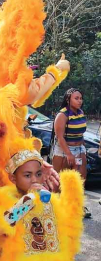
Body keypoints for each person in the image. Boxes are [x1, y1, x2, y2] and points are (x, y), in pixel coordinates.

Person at [0, 148, 84, 261]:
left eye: (38, 174)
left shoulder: (49, 201)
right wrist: (29, 200)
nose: (34, 180)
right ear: (13, 178)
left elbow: (61, 237)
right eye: (27, 175)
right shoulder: (0, 199)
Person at [51, 88, 91, 218]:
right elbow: (60, 137)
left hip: (79, 149)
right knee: (58, 180)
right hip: (63, 150)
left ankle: (78, 206)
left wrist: (83, 148)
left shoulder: (80, 112)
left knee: (80, 179)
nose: (80, 101)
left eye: (81, 98)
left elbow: (81, 133)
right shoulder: (62, 115)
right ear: (68, 100)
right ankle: (53, 206)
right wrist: (68, 154)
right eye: (76, 98)